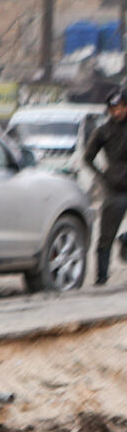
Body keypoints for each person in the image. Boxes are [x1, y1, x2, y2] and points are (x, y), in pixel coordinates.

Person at [83, 87, 127, 285]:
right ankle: (101, 277)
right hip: (115, 188)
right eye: (113, 109)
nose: (117, 112)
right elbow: (88, 158)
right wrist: (103, 177)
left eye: (120, 108)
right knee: (105, 236)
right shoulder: (103, 131)